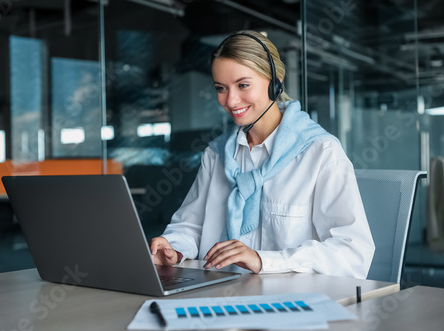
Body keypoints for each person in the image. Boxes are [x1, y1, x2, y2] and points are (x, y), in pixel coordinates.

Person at [150, 30, 375, 279]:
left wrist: (263, 260)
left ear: (275, 81)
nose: (231, 100)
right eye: (220, 88)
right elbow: (191, 225)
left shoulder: (320, 152)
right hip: (217, 294)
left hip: (289, 303)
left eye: (243, 85)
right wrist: (175, 248)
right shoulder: (217, 154)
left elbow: (352, 252)